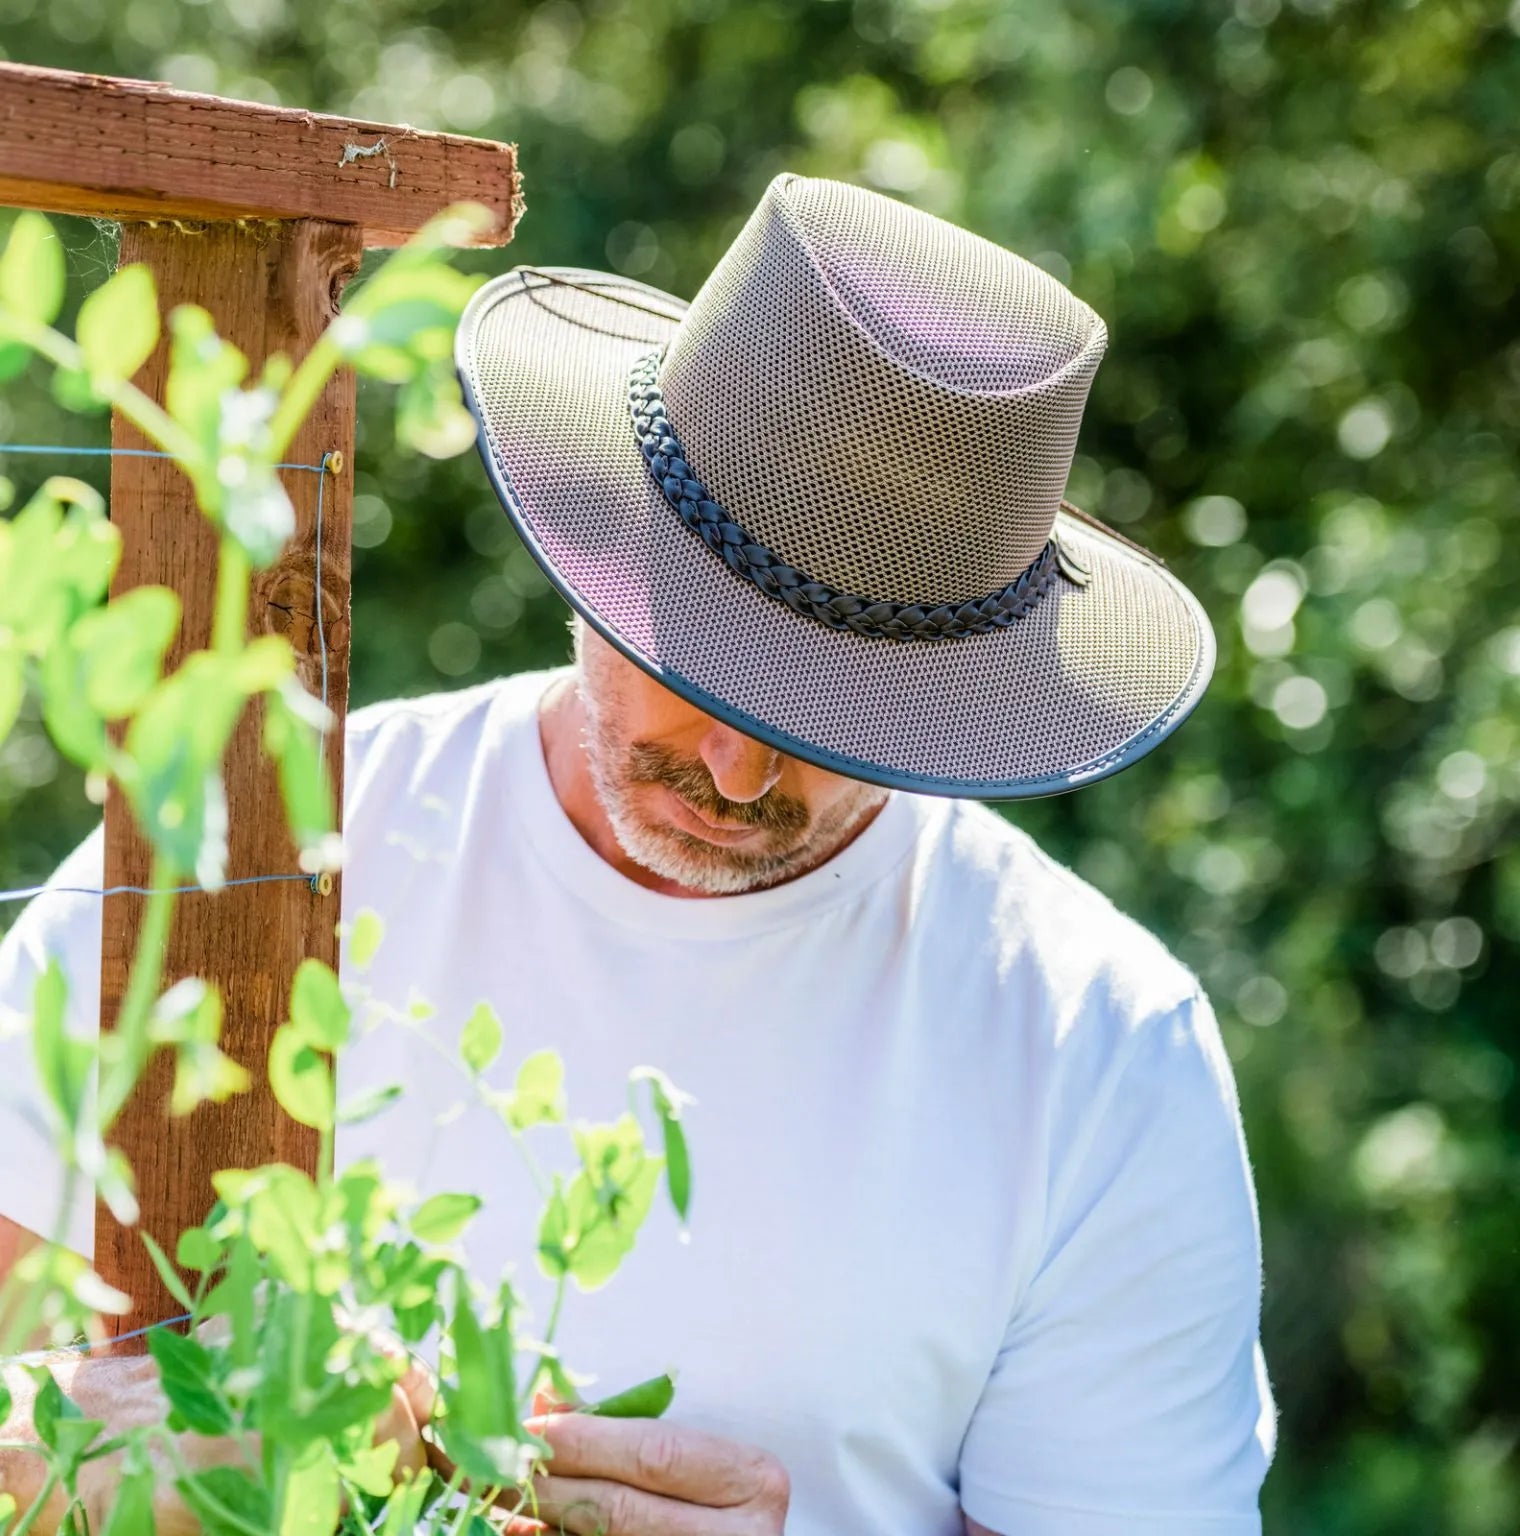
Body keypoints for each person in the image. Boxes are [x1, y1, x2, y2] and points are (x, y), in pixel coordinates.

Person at [0, 173, 1278, 1534]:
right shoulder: (259, 846)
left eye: (836, 720)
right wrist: (83, 1449)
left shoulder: (1095, 1046)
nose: (739, 771)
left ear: (958, 695)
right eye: (711, 677)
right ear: (611, 541)